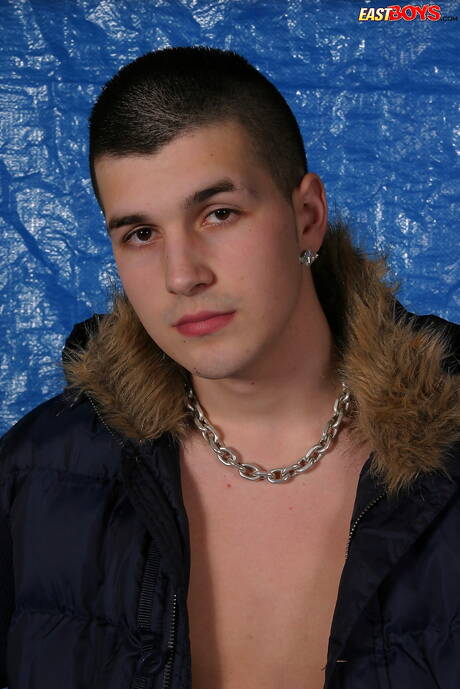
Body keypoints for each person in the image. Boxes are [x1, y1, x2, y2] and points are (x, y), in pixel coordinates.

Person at [1, 45, 459, 689]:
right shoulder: (36, 473)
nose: (182, 275)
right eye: (140, 234)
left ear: (306, 218)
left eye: (219, 214)